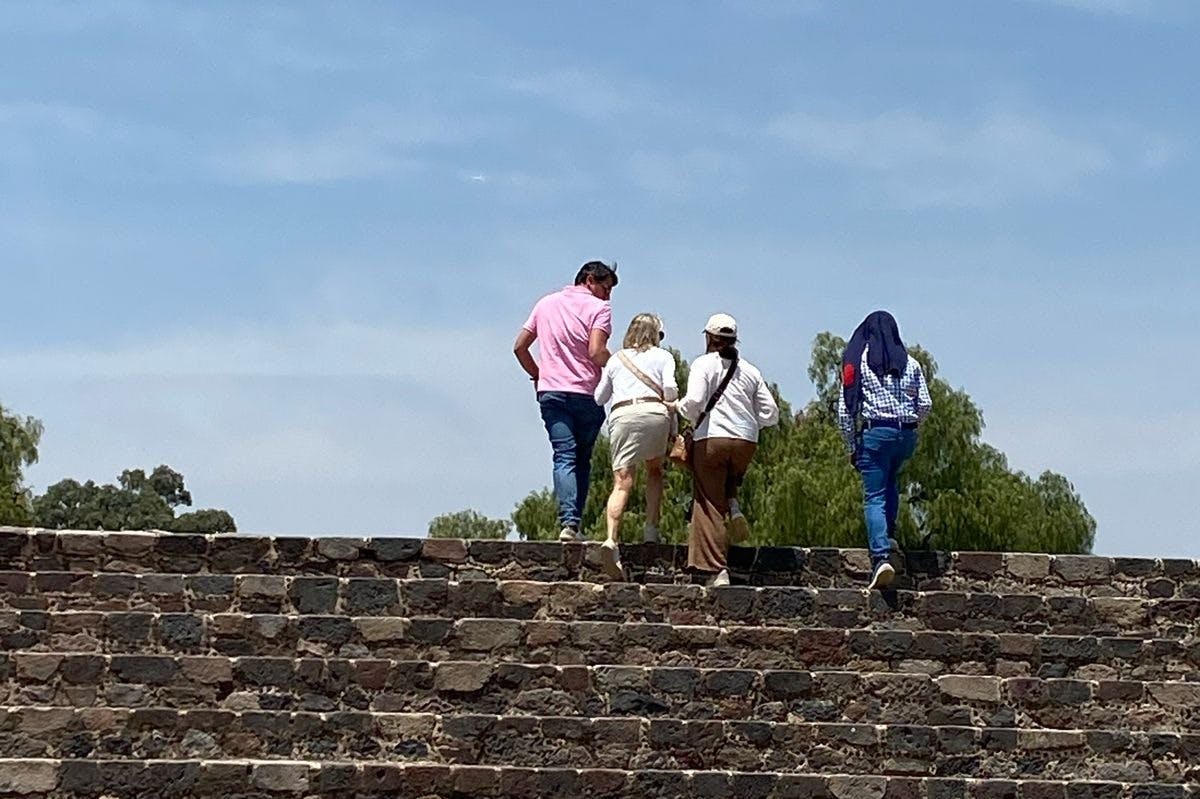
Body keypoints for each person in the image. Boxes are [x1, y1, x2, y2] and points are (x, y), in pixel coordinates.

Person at [514, 261, 618, 542]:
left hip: (552, 393)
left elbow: (519, 346)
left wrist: (538, 374)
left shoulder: (546, 304)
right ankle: (574, 523)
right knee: (581, 459)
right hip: (586, 393)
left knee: (563, 455)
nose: (608, 296)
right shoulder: (599, 310)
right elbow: (596, 351)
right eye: (606, 288)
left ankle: (569, 524)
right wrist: (621, 367)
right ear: (590, 280)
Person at [677, 313, 779, 586]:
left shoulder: (704, 364)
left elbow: (695, 401)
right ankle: (733, 504)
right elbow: (771, 413)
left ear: (709, 338)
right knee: (726, 480)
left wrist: (678, 407)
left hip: (712, 438)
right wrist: (748, 424)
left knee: (708, 501)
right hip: (746, 441)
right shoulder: (751, 371)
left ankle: (716, 570)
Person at [837, 310, 933, 590]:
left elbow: (846, 409)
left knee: (874, 495)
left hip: (875, 433)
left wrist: (850, 445)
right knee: (891, 481)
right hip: (905, 435)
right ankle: (889, 535)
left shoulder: (858, 363)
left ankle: (881, 558)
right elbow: (925, 404)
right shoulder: (910, 363)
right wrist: (914, 428)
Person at [593, 313, 678, 579]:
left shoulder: (617, 359)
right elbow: (671, 390)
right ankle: (651, 531)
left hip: (622, 415)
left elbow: (599, 398)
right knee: (654, 471)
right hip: (654, 412)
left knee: (622, 482)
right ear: (656, 335)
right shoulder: (664, 357)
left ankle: (610, 539)